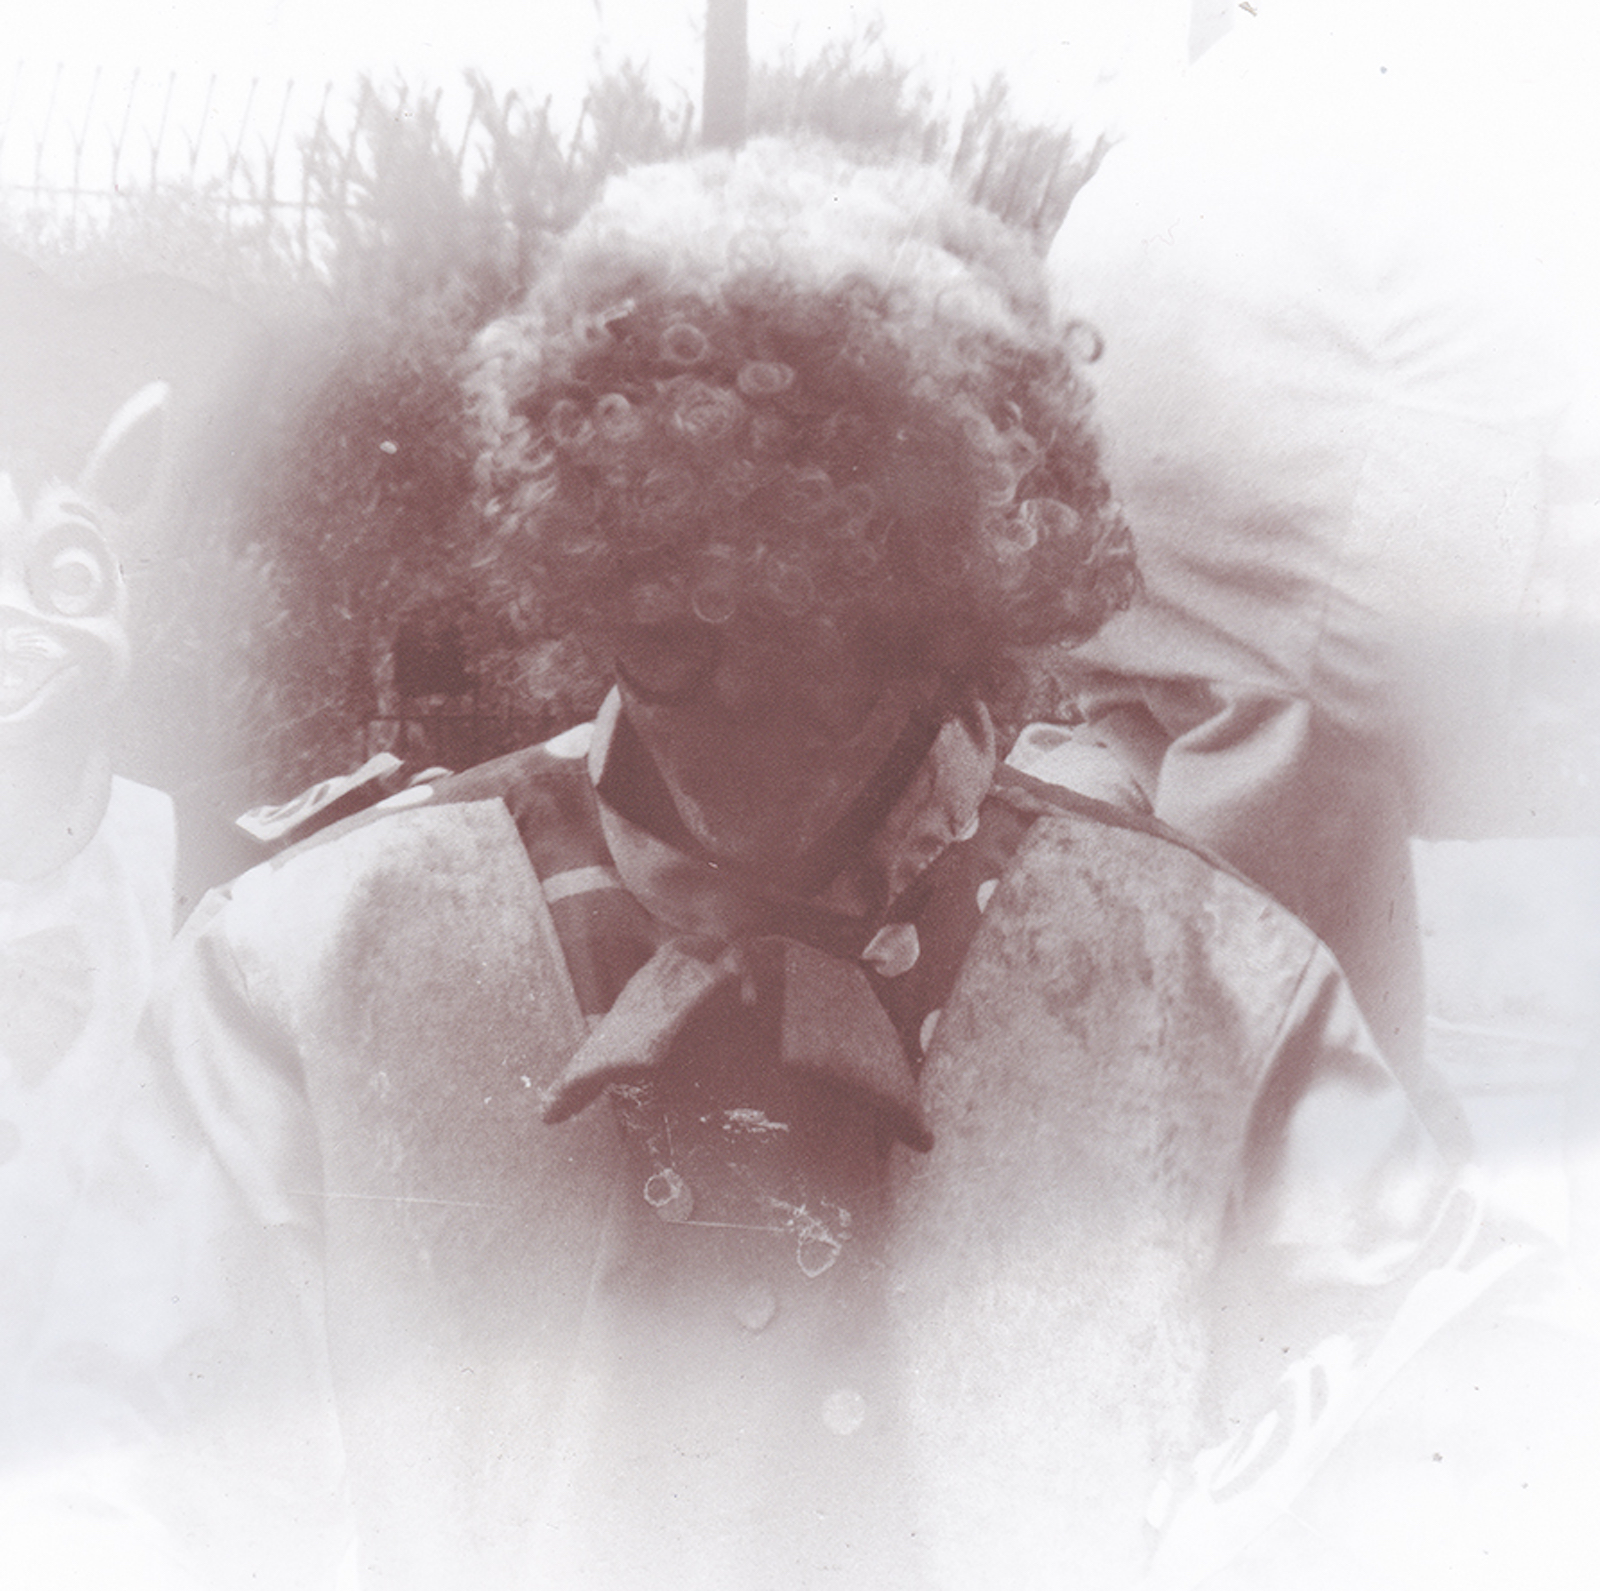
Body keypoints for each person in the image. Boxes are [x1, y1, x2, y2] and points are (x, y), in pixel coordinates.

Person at [31, 140, 1532, 1590]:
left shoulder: (1214, 990)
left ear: (955, 627)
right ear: (597, 592)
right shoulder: (303, 972)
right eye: (676, 635)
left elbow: (1451, 1459)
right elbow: (110, 1488)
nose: (742, 725)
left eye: (837, 649)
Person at [1044, 0, 1600, 1127]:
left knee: (1184, 730)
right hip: (1320, 336)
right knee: (1299, 747)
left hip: (1142, 295)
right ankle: (1305, 1140)